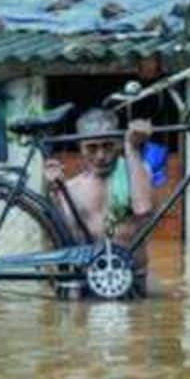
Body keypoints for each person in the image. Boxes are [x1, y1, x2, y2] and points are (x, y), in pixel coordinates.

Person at [44, 109, 154, 296]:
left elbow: (143, 210)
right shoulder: (71, 188)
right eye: (92, 148)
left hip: (131, 285)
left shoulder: (136, 174)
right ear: (80, 147)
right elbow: (58, 246)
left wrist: (132, 148)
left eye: (108, 146)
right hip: (88, 285)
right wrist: (54, 194)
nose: (101, 155)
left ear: (118, 144)